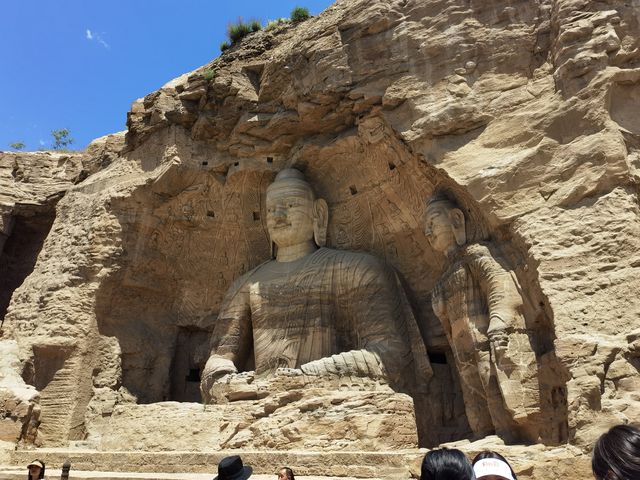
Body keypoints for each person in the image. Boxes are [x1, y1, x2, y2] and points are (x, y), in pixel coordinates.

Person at [201, 168, 431, 403]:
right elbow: (219, 358)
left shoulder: (357, 269)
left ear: (318, 213)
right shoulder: (247, 285)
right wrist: (224, 379)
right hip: (262, 401)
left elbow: (391, 356)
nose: (278, 215)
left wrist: (308, 376)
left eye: (290, 205)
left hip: (333, 402)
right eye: (270, 210)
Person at [424, 192, 540, 442]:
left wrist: (499, 320)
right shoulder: (444, 275)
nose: (428, 231)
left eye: (433, 222)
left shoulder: (476, 254)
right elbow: (444, 316)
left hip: (482, 336)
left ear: (456, 220)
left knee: (491, 382)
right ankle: (482, 435)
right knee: (470, 391)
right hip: (460, 343)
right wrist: (439, 307)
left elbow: (499, 285)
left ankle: (508, 435)